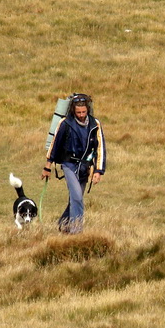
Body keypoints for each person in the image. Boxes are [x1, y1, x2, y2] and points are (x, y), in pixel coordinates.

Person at [41, 94, 106, 233]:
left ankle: (63, 224)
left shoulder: (95, 124)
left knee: (75, 200)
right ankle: (76, 232)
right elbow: (55, 144)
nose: (81, 115)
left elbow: (100, 148)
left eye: (84, 112)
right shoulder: (65, 123)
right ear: (73, 111)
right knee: (77, 197)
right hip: (68, 165)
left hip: (85, 168)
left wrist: (98, 171)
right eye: (78, 112)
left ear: (87, 110)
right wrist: (47, 167)